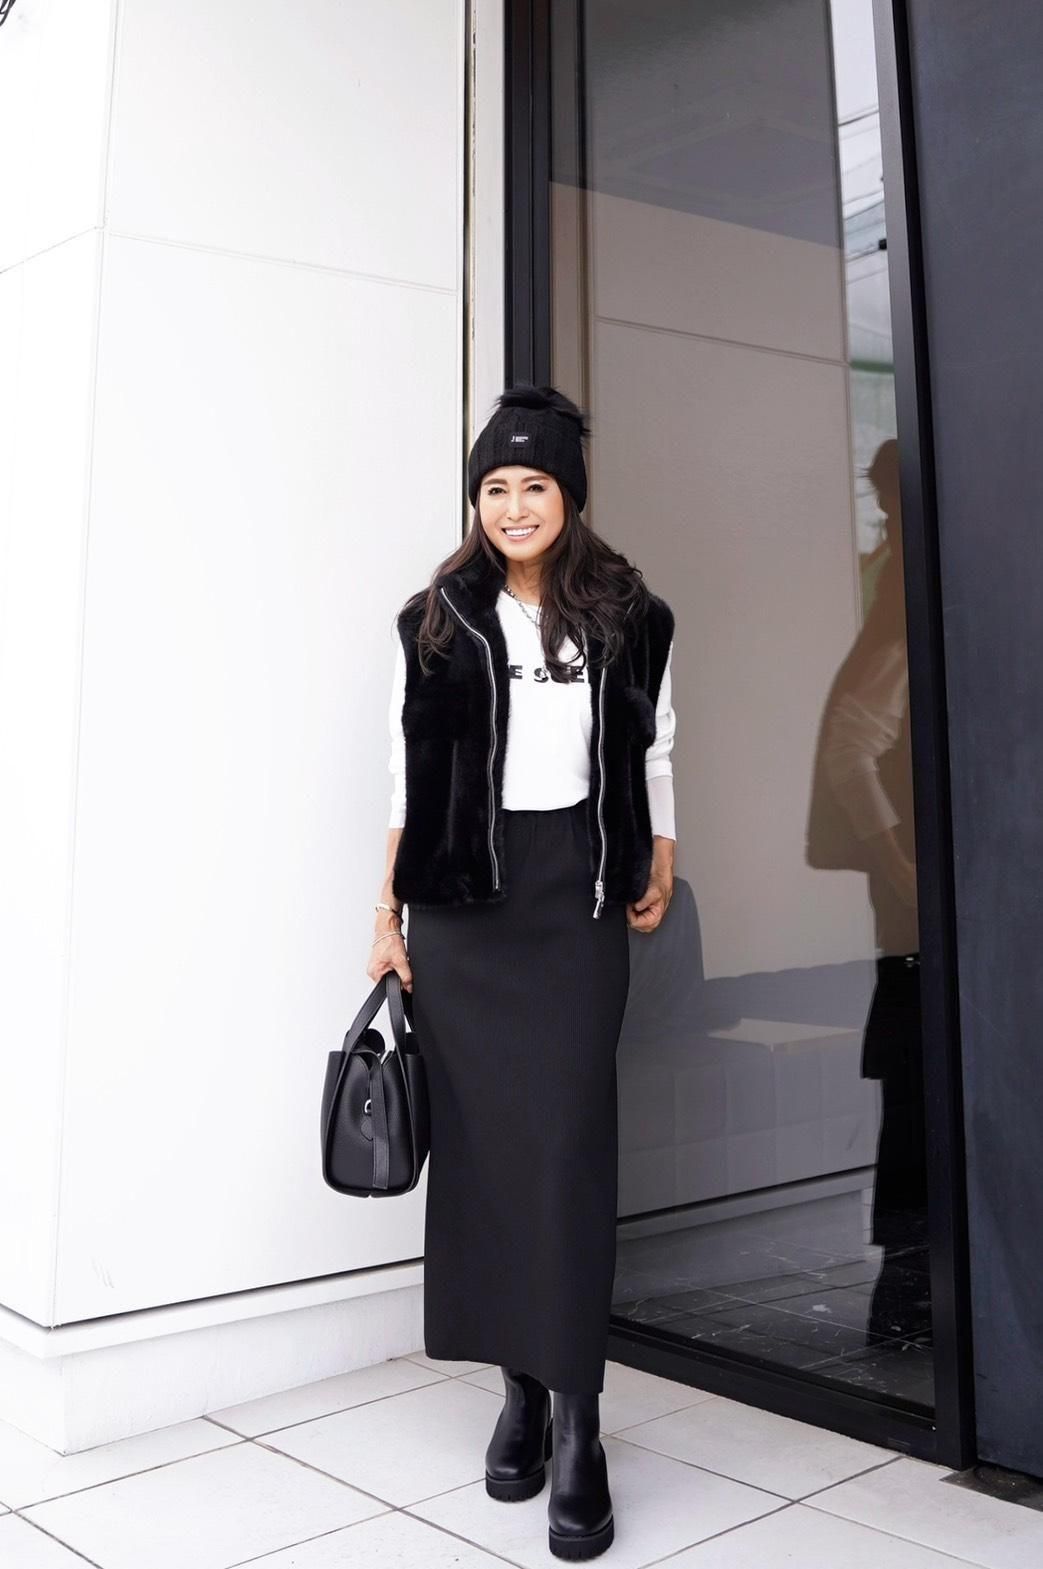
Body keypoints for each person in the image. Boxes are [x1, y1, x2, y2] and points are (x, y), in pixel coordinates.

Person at [369, 384, 677, 1561]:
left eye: (531, 485)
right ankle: (520, 1397)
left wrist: (659, 853)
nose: (510, 506)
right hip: (464, 913)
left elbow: (657, 744)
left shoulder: (629, 615)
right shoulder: (433, 620)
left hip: (573, 903)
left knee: (564, 1154)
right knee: (488, 1160)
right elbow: (400, 773)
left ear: (568, 495)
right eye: (492, 487)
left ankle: (580, 1420)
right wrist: (385, 914)